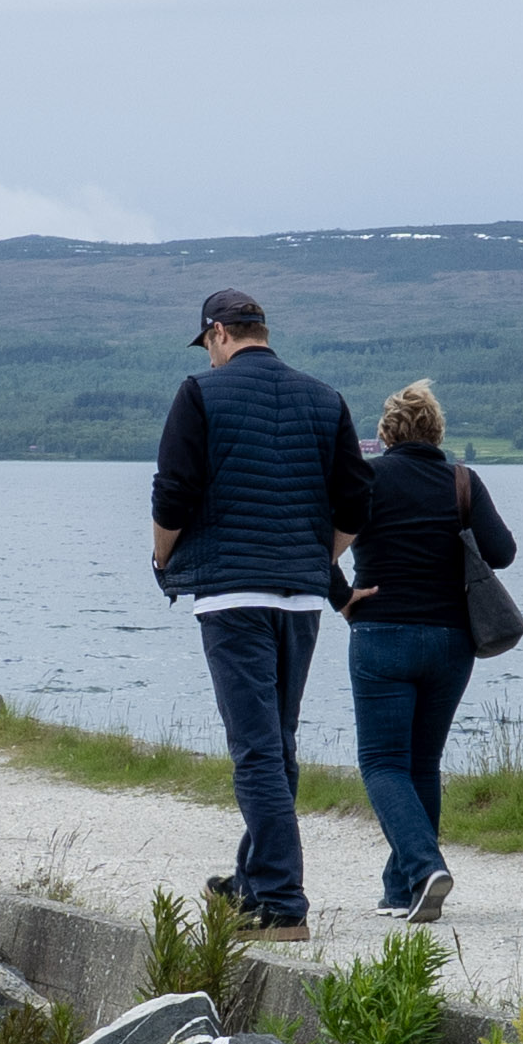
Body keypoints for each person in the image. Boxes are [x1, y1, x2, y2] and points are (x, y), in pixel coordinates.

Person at [146, 285, 364, 933]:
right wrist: (315, 555)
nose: (208, 356)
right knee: (278, 743)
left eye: (207, 345)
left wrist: (162, 558)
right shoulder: (325, 398)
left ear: (218, 333)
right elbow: (357, 503)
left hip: (233, 595)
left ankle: (281, 901)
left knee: (255, 751)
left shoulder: (199, 393)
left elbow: (172, 491)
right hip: (302, 600)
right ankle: (251, 882)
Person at [337, 380, 515, 922]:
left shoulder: (368, 478)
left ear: (388, 432)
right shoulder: (462, 480)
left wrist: (341, 596)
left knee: (381, 763)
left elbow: (321, 545)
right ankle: (403, 892)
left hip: (381, 633)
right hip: (450, 640)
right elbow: (502, 552)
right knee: (422, 764)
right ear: (436, 431)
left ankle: (424, 866)